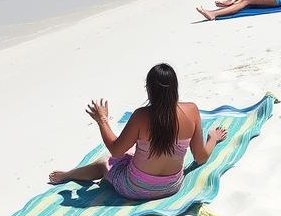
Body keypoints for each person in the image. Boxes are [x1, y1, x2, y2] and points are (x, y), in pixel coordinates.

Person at [48, 63, 227, 199]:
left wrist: (102, 120)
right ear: (175, 88)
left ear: (149, 90)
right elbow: (201, 157)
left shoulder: (141, 116)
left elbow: (115, 150)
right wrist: (213, 139)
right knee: (133, 152)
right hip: (172, 186)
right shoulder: (192, 111)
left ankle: (68, 175)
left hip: (135, 188)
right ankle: (70, 174)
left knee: (105, 162)